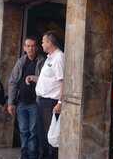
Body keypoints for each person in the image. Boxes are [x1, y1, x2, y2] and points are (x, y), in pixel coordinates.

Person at [7, 37, 45, 159]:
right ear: (24, 48)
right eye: (28, 46)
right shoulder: (21, 62)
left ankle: (32, 156)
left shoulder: (42, 61)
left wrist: (34, 78)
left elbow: (47, 81)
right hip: (21, 103)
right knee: (23, 131)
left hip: (35, 103)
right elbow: (12, 82)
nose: (30, 48)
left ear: (37, 47)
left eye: (33, 46)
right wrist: (10, 103)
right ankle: (24, 155)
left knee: (33, 132)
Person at [35, 31, 64, 159]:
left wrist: (60, 103)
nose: (41, 44)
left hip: (51, 103)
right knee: (42, 135)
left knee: (50, 137)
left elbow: (63, 81)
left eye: (43, 41)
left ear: (49, 42)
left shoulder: (59, 57)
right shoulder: (49, 58)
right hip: (42, 101)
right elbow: (48, 80)